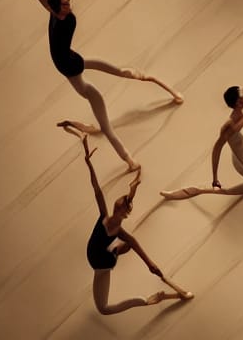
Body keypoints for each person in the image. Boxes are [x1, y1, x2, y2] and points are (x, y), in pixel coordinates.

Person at [0, 0, 183, 170]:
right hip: (75, 71)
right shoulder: (59, 16)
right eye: (65, 0)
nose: (69, 0)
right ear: (57, 7)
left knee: (123, 71)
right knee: (106, 125)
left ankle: (169, 90)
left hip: (74, 61)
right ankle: (130, 160)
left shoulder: (55, 13)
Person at [70, 132, 193, 313]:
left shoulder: (118, 230)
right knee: (119, 247)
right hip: (101, 256)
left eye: (122, 204)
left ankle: (150, 300)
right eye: (121, 200)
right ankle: (116, 250)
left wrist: (152, 265)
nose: (119, 202)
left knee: (104, 309)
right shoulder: (104, 214)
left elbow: (135, 244)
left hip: (102, 265)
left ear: (123, 213)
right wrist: (89, 164)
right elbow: (96, 188)